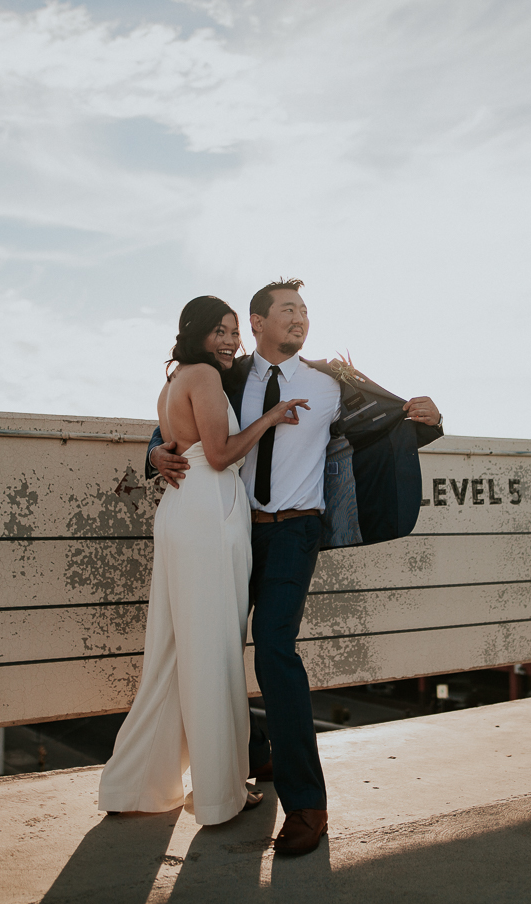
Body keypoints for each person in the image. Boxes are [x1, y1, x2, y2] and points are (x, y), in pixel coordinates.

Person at [148, 279, 443, 854]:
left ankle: (307, 804)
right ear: (257, 323)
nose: (300, 319)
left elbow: (394, 420)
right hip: (228, 529)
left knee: (276, 647)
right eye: (287, 310)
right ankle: (255, 756)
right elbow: (181, 418)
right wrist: (153, 449)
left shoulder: (333, 380)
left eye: (305, 311)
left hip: (295, 531)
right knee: (217, 643)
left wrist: (429, 418)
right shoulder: (226, 373)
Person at [98, 296, 309, 826]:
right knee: (213, 652)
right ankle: (218, 795)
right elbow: (218, 454)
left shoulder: (172, 383)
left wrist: (154, 456)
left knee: (170, 651)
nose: (230, 341)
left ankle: (137, 784)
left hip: (179, 513)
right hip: (210, 512)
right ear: (195, 332)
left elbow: (178, 443)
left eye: (234, 331)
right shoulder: (207, 379)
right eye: (219, 331)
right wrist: (271, 418)